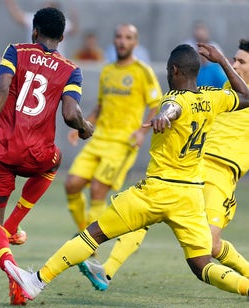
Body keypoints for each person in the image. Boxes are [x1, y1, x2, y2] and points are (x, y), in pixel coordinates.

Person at [5, 43, 249, 301]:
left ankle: (37, 281)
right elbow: (245, 95)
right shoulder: (212, 99)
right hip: (190, 197)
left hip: (156, 191)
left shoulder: (173, 99)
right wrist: (222, 60)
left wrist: (164, 116)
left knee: (93, 235)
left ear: (174, 70)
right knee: (202, 266)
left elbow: (173, 109)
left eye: (168, 69)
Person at [78, 38, 249, 291]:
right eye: (234, 59)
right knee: (145, 210)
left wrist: (222, 60)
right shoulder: (228, 88)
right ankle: (107, 271)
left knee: (211, 246)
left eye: (241, 61)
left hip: (221, 175)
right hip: (194, 168)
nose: (234, 64)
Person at [0, 7, 93, 305]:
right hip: (38, 154)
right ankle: (18, 274)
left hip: (0, 151)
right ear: (62, 36)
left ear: (34, 31)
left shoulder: (15, 51)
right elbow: (71, 115)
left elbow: (2, 88)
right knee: (55, 160)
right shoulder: (71, 69)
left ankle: (9, 251)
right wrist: (85, 127)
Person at [64, 24, 161, 250]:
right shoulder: (107, 71)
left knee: (98, 189)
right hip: (98, 139)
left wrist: (141, 131)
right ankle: (83, 231)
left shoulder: (142, 71)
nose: (122, 41)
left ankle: (87, 246)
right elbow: (100, 105)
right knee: (71, 185)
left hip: (121, 143)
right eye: (118, 36)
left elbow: (156, 104)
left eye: (128, 38)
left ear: (135, 43)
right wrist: (82, 125)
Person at [4, 0, 78, 57]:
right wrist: (10, 3)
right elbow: (18, 18)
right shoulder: (34, 18)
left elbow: (73, 31)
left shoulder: (62, 22)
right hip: (34, 59)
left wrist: (74, 16)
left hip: (55, 62)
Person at [183, 20, 226, 87]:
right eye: (198, 30)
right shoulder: (187, 47)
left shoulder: (215, 69)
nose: (200, 33)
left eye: (202, 30)